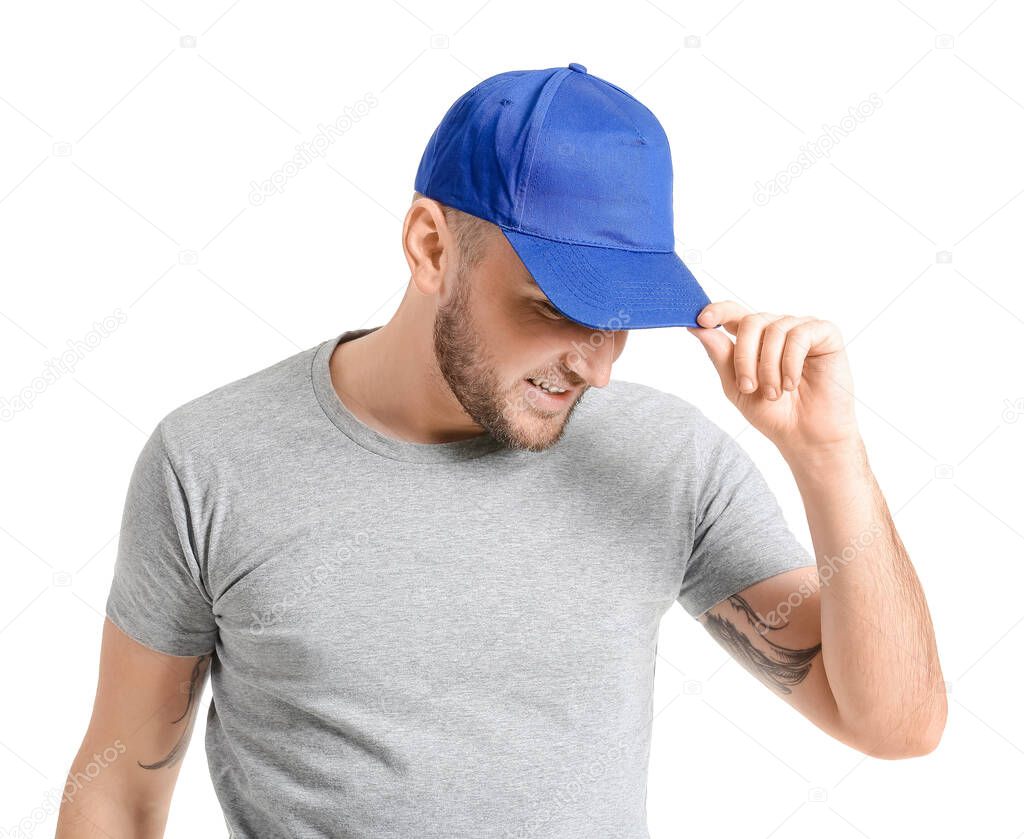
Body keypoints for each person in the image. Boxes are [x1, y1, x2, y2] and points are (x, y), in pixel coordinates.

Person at [57, 63, 945, 838]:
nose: (597, 368)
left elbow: (896, 724)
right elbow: (120, 787)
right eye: (558, 307)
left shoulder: (667, 461)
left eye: (623, 318)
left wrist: (829, 456)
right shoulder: (210, 462)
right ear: (430, 246)